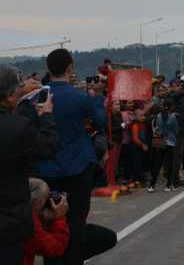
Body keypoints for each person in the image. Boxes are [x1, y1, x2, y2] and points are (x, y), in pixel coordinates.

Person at [38, 49, 106, 265]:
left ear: (48, 69)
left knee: (51, 223)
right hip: (77, 167)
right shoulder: (81, 97)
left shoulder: (39, 98)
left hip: (47, 169)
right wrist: (97, 97)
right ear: (70, 68)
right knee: (76, 223)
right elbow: (101, 123)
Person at [0, 66, 59, 265]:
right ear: (9, 96)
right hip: (9, 224)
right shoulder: (18, 127)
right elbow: (49, 148)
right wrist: (46, 115)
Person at [22, 178, 70, 265]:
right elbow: (54, 247)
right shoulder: (26, 221)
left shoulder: (12, 208)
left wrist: (41, 218)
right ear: (35, 203)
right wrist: (59, 218)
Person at [149, 99, 178, 192]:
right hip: (170, 142)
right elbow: (176, 129)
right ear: (171, 107)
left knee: (157, 164)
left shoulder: (158, 116)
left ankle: (152, 185)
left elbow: (156, 129)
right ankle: (168, 185)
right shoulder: (173, 116)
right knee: (170, 164)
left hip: (160, 142)